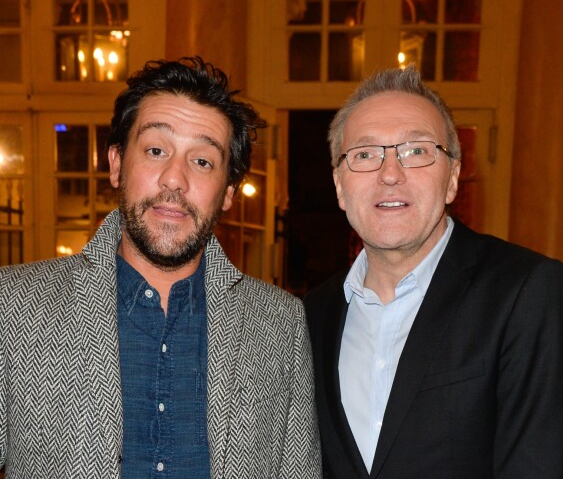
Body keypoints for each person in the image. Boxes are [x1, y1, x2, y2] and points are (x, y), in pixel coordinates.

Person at [0, 57, 322, 478]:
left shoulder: (281, 323)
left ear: (227, 192)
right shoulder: (14, 305)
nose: (175, 179)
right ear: (116, 164)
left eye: (202, 161)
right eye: (156, 150)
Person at [304, 66, 563, 478]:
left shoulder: (525, 292)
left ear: (452, 179)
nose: (390, 174)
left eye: (416, 151)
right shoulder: (310, 315)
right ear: (341, 187)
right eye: (365, 155)